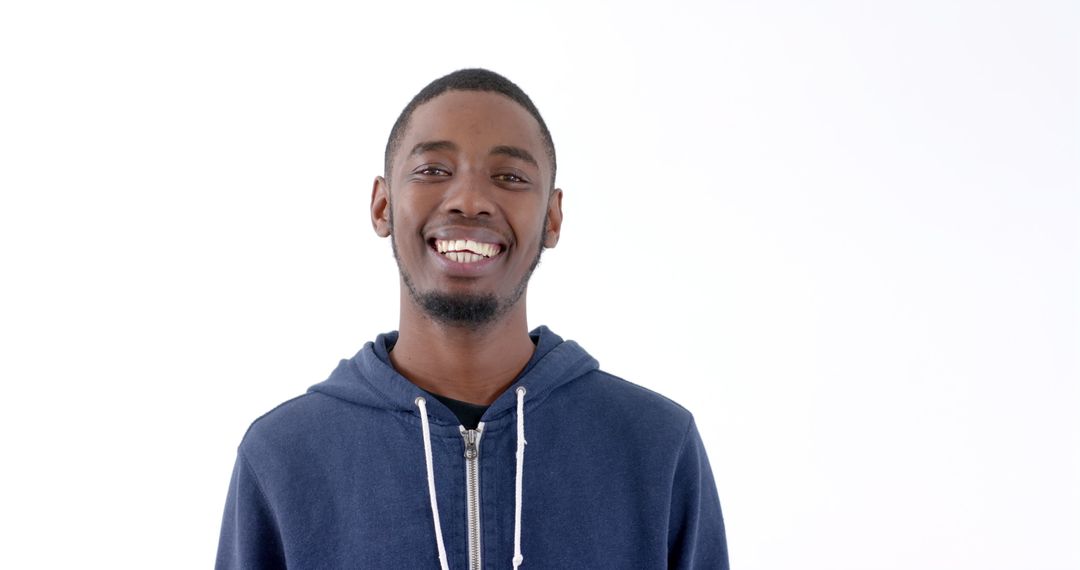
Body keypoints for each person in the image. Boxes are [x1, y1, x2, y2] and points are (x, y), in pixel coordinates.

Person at [215, 68, 729, 569]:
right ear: (381, 206)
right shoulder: (283, 457)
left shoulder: (656, 446)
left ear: (551, 218)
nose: (469, 201)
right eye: (433, 171)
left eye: (509, 177)